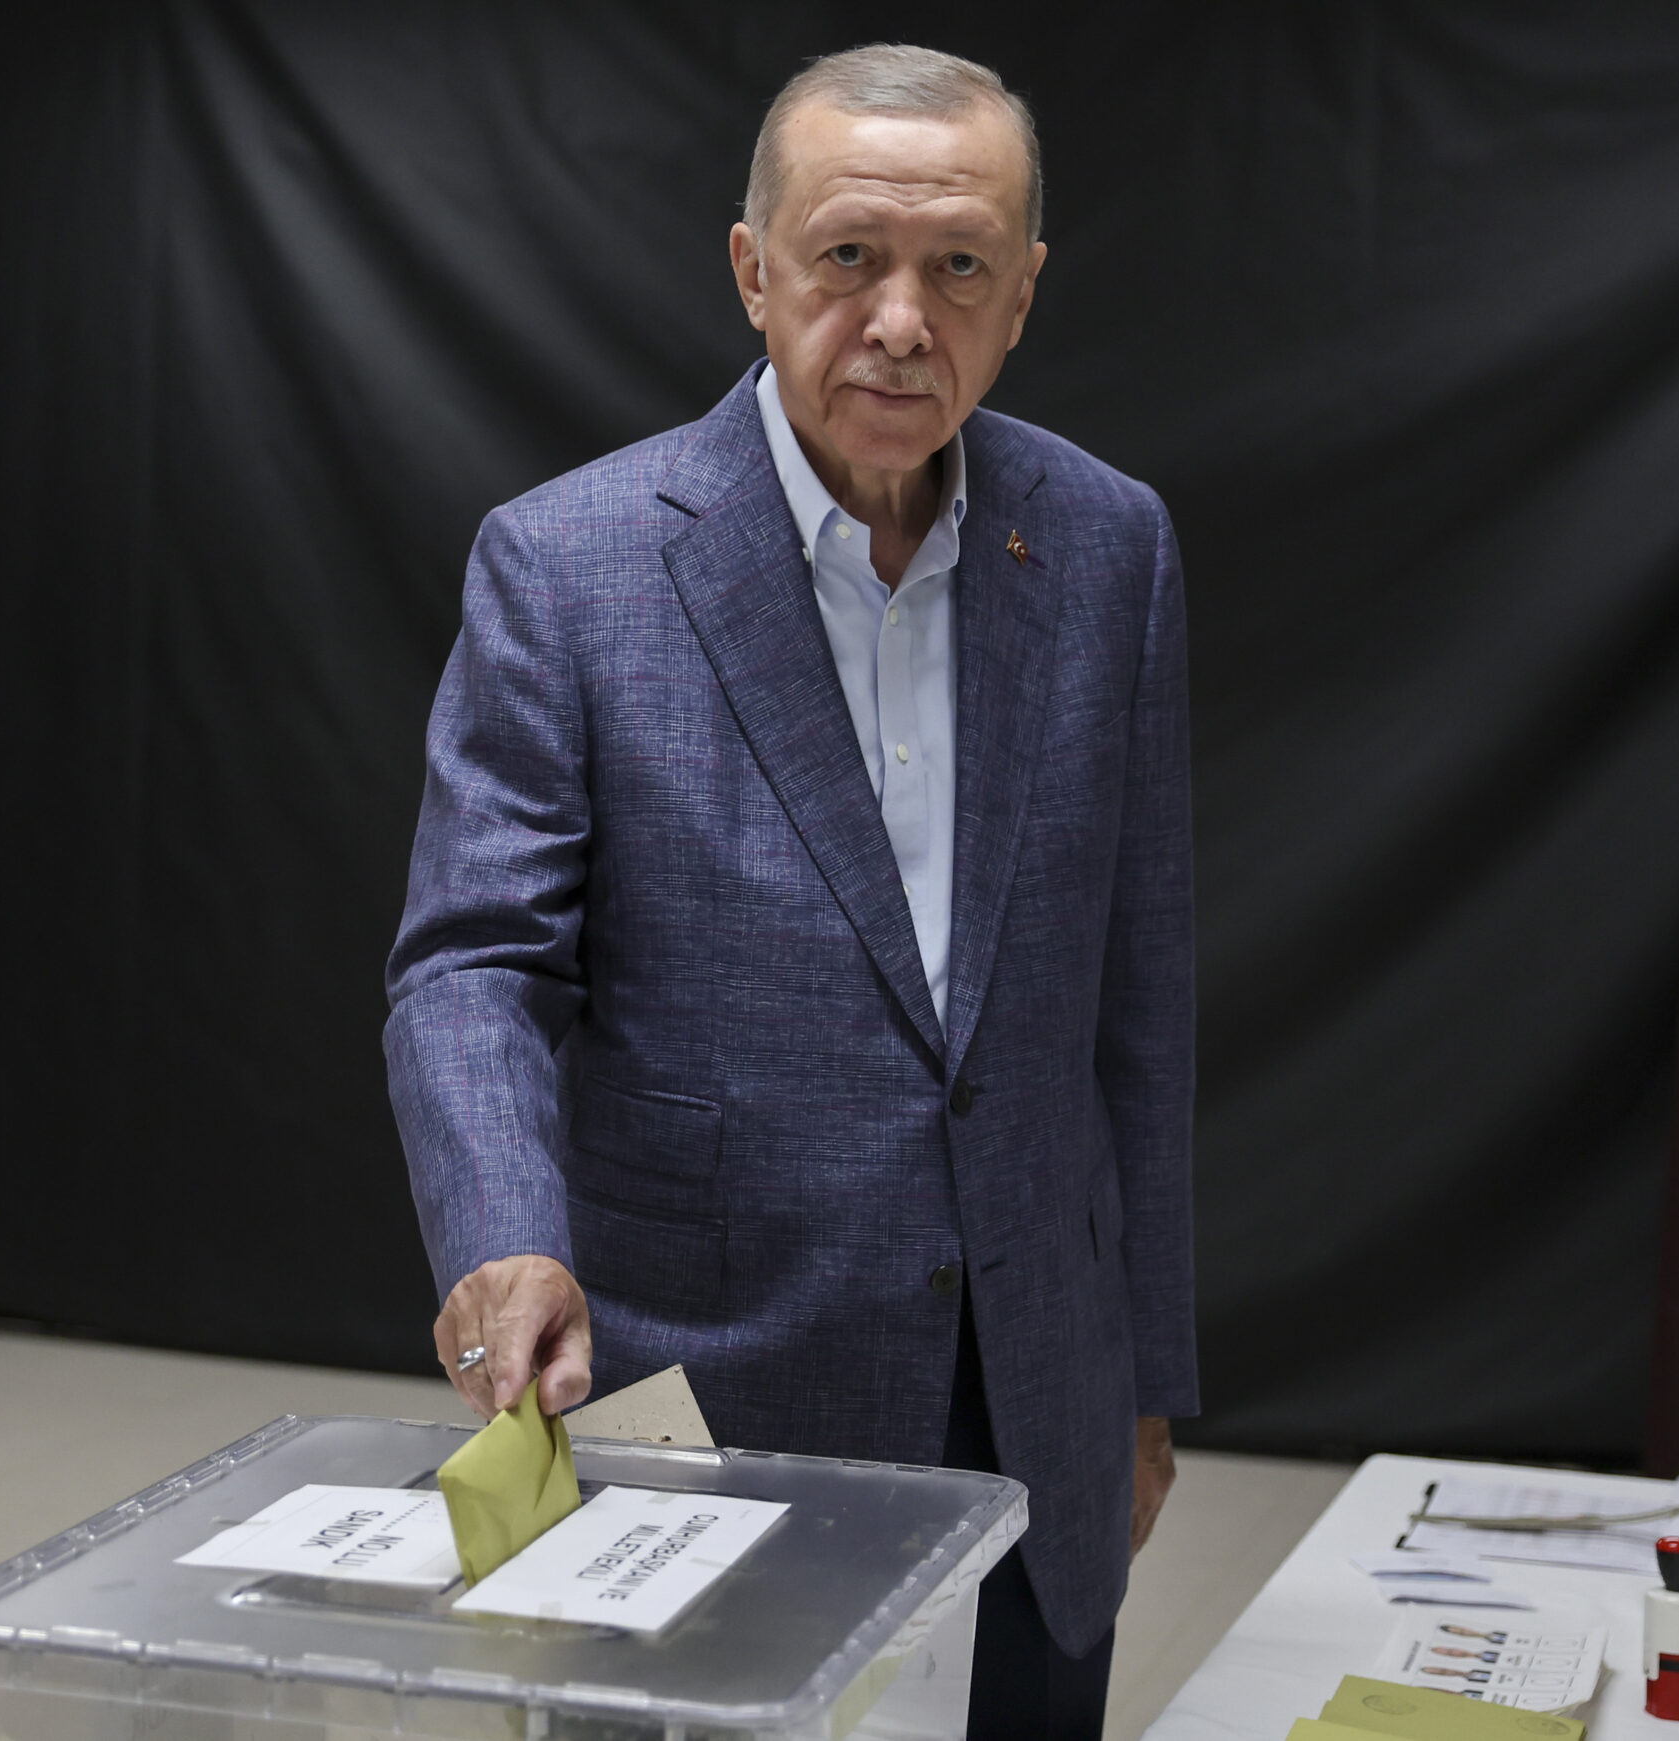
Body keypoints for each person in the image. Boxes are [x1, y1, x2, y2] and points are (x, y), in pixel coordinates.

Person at [383, 42, 1196, 1739]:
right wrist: (503, 1235)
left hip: (1036, 1394)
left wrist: (1145, 1377)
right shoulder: (571, 564)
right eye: (848, 257)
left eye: (958, 266)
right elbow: (474, 963)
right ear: (754, 272)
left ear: (1024, 293)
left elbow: (1141, 995)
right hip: (710, 1389)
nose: (901, 319)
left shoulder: (1109, 546)